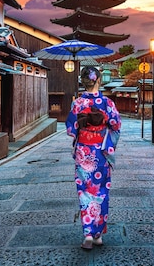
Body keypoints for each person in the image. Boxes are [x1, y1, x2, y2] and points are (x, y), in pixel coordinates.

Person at [66, 66, 121, 250]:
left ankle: (87, 235)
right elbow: (116, 125)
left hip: (83, 153)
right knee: (101, 192)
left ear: (84, 81)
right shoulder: (107, 103)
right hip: (101, 153)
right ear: (98, 80)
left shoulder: (78, 103)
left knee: (84, 191)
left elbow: (70, 129)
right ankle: (98, 235)